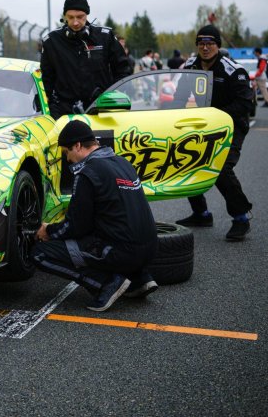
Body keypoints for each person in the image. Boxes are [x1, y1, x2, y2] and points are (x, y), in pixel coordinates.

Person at [32, 120, 158, 312]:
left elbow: (76, 227)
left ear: (78, 145)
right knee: (110, 231)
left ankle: (106, 284)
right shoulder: (123, 163)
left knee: (39, 253)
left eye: (67, 152)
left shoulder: (87, 172)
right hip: (150, 249)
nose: (67, 159)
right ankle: (139, 279)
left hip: (121, 252)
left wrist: (48, 230)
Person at [174, 25, 253, 241]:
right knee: (187, 160)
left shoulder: (233, 70)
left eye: (210, 43)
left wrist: (217, 115)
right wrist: (172, 120)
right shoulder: (190, 66)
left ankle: (241, 218)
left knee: (221, 168)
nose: (205, 47)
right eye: (201, 43)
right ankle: (201, 214)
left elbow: (246, 104)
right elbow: (180, 97)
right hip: (205, 123)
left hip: (233, 124)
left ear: (218, 45)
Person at [39, 0, 132, 118]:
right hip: (65, 114)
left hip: (102, 110)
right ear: (64, 16)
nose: (75, 22)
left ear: (87, 15)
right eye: (70, 17)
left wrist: (112, 96)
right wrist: (53, 111)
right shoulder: (51, 41)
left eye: (80, 17)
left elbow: (123, 70)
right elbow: (46, 81)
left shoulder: (105, 37)